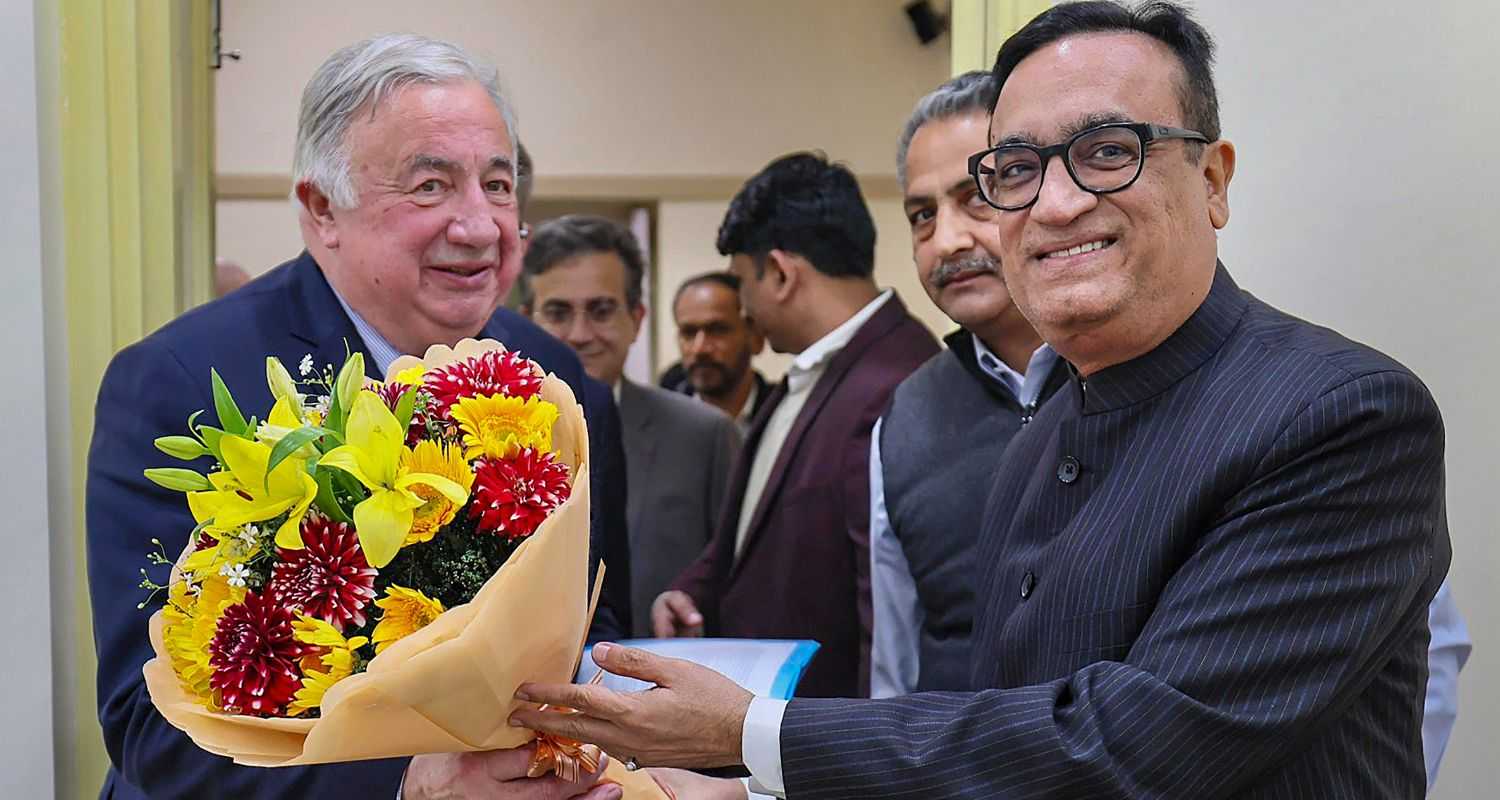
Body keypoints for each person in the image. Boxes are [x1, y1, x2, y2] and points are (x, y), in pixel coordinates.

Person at [512, 4, 1451, 797]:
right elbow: (980, 715)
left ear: (1211, 181)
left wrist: (758, 737)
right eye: (1016, 170)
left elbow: (1133, 747)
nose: (1055, 204)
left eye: (1108, 151)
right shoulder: (1041, 432)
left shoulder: (1341, 417)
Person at [86, 34, 628, 800]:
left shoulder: (555, 379)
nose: (481, 227)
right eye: (431, 186)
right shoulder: (182, 384)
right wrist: (410, 788)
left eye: (498, 185)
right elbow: (152, 726)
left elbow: (593, 625)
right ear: (320, 208)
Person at [651, 152, 940, 699]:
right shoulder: (808, 372)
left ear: (781, 274)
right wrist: (693, 590)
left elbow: (887, 612)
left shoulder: (899, 382)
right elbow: (756, 533)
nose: (746, 309)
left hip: (824, 740)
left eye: (742, 285)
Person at [869, 70, 1065, 699]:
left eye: (976, 197)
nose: (946, 241)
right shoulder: (905, 417)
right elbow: (895, 671)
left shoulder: (1143, 376)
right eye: (922, 215)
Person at [521, 215, 742, 637]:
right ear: (526, 320)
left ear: (637, 318)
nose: (579, 334)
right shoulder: (489, 437)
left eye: (601, 311)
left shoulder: (703, 435)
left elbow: (734, 577)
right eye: (558, 313)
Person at [671, 272, 771, 431]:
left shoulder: (786, 417)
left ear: (755, 337)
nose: (700, 349)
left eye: (717, 330)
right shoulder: (661, 422)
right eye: (689, 332)